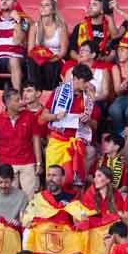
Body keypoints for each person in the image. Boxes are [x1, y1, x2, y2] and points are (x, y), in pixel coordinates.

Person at [39, 63, 95, 192]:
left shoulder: (88, 99)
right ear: (75, 79)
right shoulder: (59, 94)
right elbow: (44, 117)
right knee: (53, 180)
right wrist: (56, 117)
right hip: (57, 142)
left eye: (88, 81)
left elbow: (94, 125)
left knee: (75, 182)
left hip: (77, 143)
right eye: (84, 81)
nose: (87, 84)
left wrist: (88, 120)